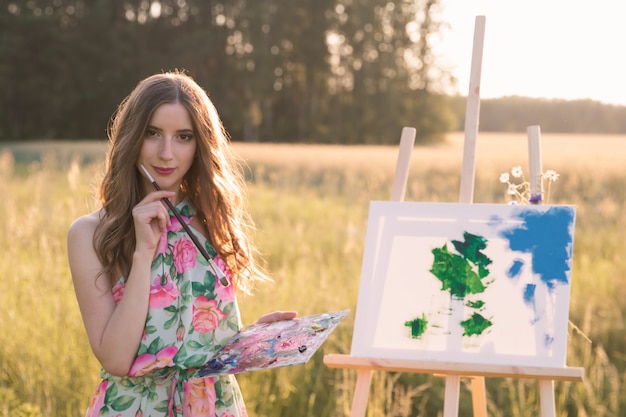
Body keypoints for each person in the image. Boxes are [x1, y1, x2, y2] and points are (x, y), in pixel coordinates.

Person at [67, 71, 297, 417]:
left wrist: (250, 340)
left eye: (184, 137)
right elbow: (115, 359)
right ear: (132, 137)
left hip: (212, 406)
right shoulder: (90, 233)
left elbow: (201, 345)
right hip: (137, 407)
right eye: (152, 133)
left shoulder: (210, 218)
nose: (166, 153)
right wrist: (143, 255)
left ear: (200, 144)